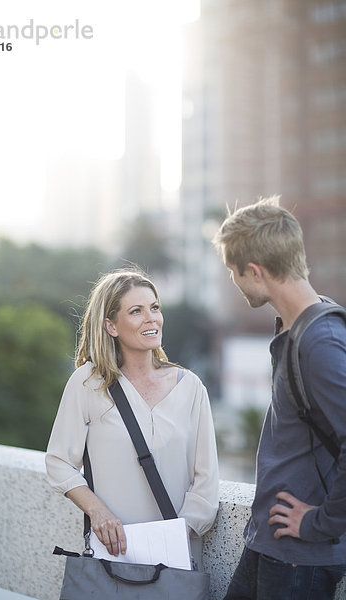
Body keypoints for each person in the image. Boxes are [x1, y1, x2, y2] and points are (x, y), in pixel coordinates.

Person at [213, 196, 346, 600]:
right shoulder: (299, 328)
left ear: (254, 271)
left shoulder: (320, 342)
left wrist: (318, 523)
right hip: (270, 545)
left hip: (299, 560)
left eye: (232, 272)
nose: (232, 282)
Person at [45, 268, 219, 568]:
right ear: (111, 326)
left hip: (175, 558)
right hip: (112, 554)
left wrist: (173, 538)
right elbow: (59, 462)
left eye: (154, 308)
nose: (151, 318)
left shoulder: (190, 387)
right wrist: (97, 511)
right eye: (136, 311)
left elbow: (205, 481)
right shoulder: (88, 382)